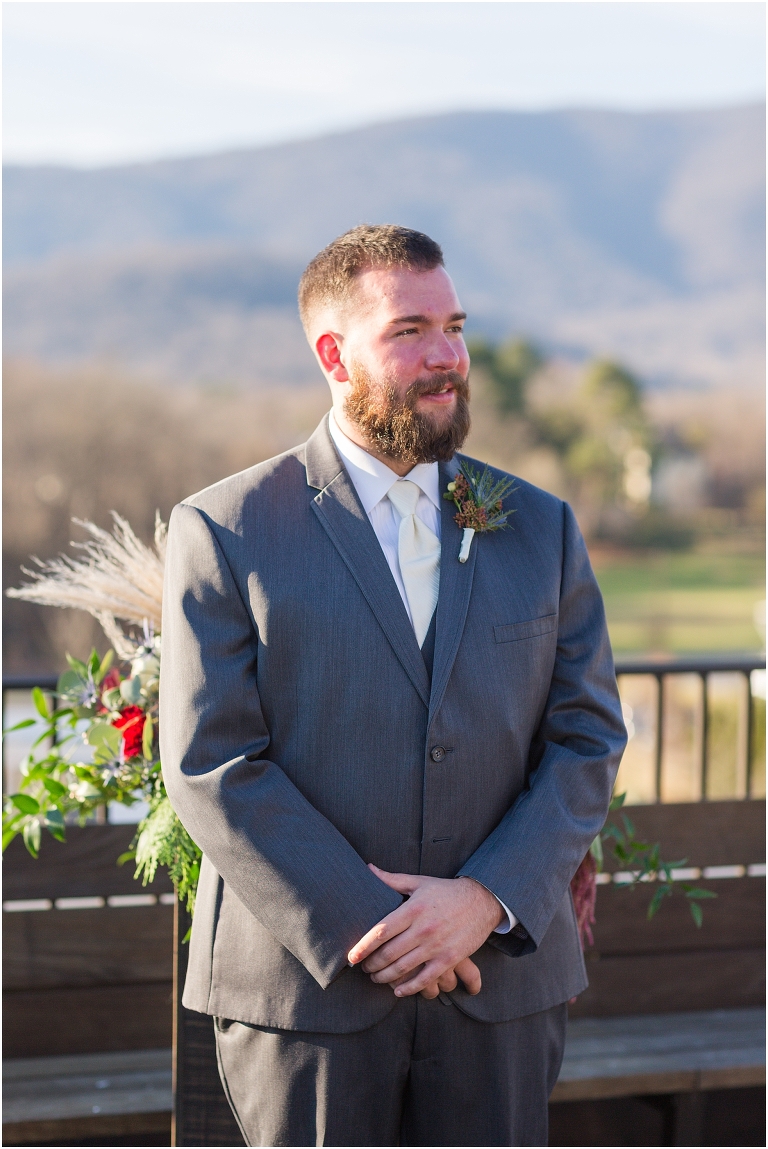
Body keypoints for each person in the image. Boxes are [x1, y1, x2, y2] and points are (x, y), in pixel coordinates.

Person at [160, 224, 627, 1147]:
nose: (448, 355)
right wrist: (385, 927)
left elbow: (587, 738)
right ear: (334, 356)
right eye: (410, 330)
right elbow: (214, 763)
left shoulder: (539, 528)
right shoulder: (226, 529)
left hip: (498, 989)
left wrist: (483, 900)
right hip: (311, 999)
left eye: (455, 326)